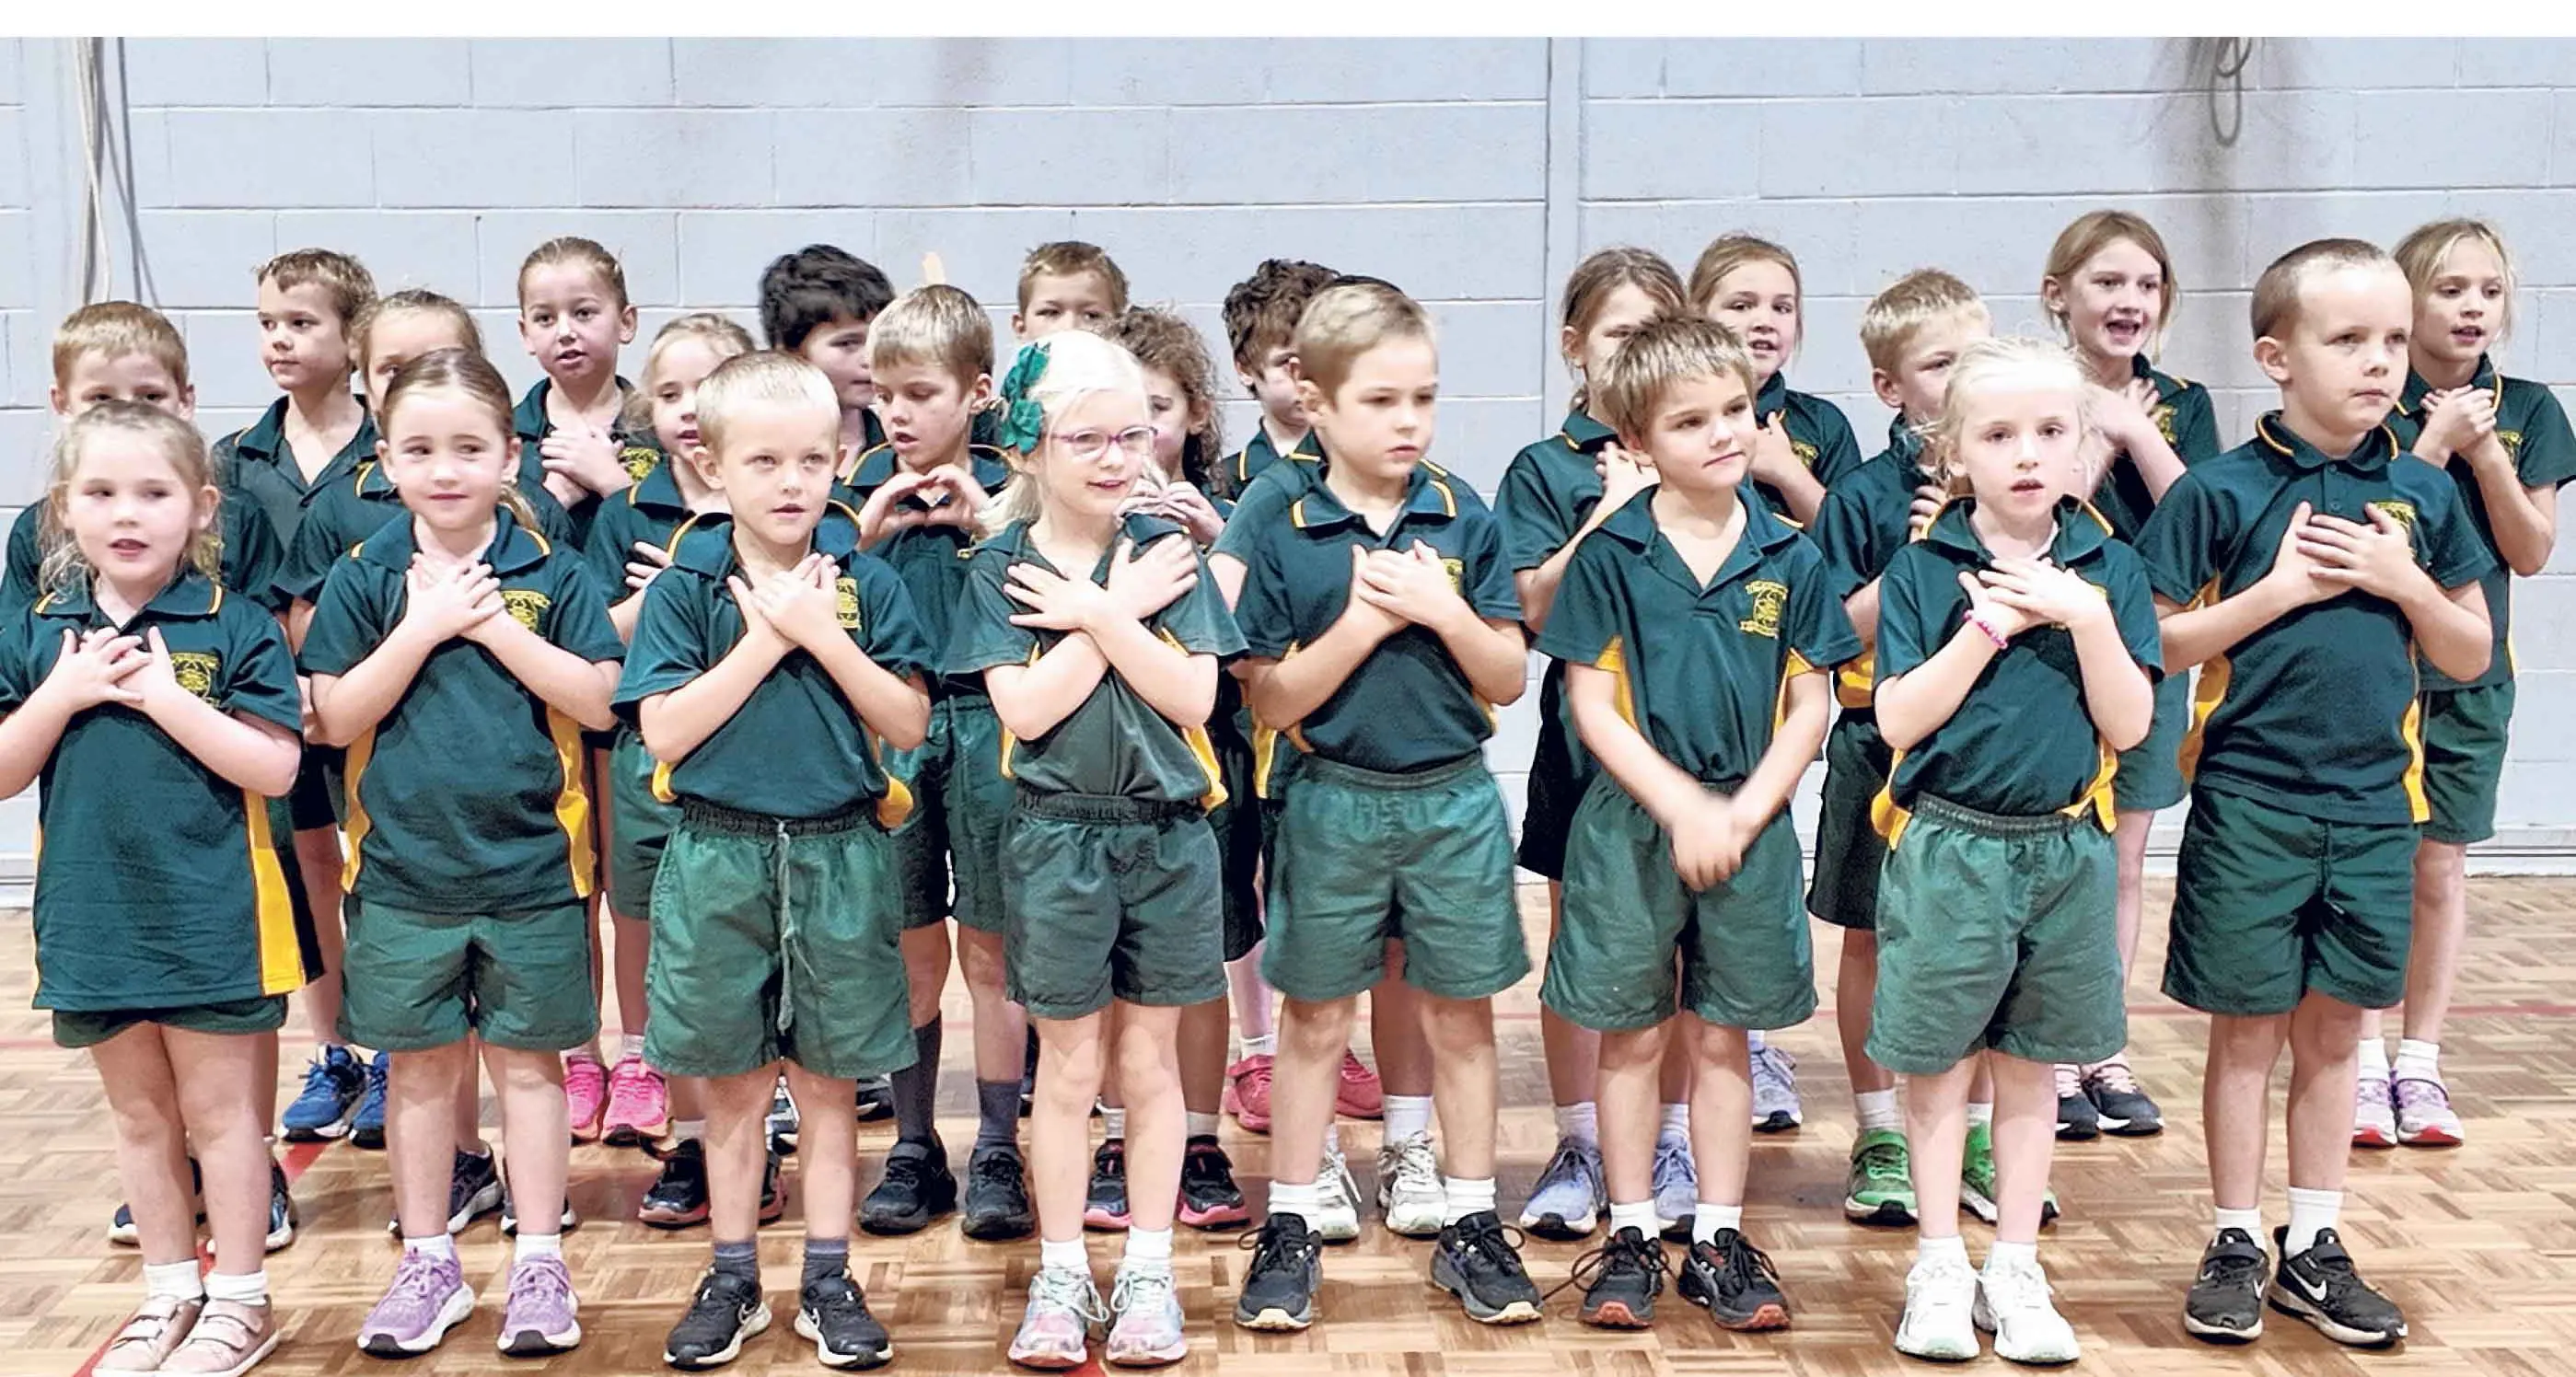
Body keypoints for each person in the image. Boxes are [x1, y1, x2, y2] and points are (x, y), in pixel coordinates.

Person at [2139, 239, 2493, 1349]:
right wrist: (2279, 590)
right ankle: (2234, 1235)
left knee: (2339, 1030)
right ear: (2274, 357)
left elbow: (2469, 650)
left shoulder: (2422, 493)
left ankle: (2314, 1238)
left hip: (2376, 808)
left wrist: (2401, 580)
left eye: (2390, 339)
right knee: (2245, 1032)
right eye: (2346, 339)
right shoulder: (2217, 490)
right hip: (2247, 803)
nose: (2378, 361)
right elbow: (2152, 640)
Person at [1227, 280, 1539, 1332]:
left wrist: (1442, 609)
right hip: (1331, 800)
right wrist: (1361, 625)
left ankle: (1470, 1220)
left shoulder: (1461, 512)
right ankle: (1288, 1219)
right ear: (1314, 402)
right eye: (1380, 400)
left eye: (1423, 397)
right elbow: (1270, 697)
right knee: (1315, 1015)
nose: (1408, 420)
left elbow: (1505, 675)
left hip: (1452, 799)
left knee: (1459, 1012)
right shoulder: (1280, 520)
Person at [304, 349, 624, 1358]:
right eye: (419, 450)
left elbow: (600, 699)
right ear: (386, 460)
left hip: (533, 872)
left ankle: (540, 1258)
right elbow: (331, 716)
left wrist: (493, 630)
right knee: (419, 1074)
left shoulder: (552, 571)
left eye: (468, 448)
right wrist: (424, 626)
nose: (444, 470)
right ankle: (427, 1260)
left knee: (530, 1071)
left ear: (510, 456)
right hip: (403, 876)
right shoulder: (364, 577)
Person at [1540, 314, 1855, 1333]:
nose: (1723, 432)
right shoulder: (1610, 555)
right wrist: (1680, 806)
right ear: (1636, 441)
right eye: (1689, 420)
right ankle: (1631, 1232)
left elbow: (1809, 705)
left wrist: (1742, 811)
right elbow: (1590, 705)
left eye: (1734, 409)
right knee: (1631, 1035)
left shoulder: (1791, 555)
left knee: (1725, 1038)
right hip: (1630, 827)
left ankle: (1718, 1234)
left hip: (1748, 828)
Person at [621, 351, 932, 1371]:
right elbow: (664, 732)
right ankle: (734, 1273)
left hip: (842, 854)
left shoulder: (869, 583)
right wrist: (765, 639)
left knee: (832, 1082)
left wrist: (821, 634)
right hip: (719, 854)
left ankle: (830, 1276)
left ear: (839, 459)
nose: (792, 482)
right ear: (713, 466)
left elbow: (907, 720)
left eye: (811, 459)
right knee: (735, 1085)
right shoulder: (687, 590)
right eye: (763, 461)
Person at [946, 330, 1241, 1368]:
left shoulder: (1168, 552)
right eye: (1088, 439)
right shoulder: (997, 568)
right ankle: (1064, 1271)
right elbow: (1025, 711)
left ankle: (1149, 1270)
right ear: (1027, 448)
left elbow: (1192, 695)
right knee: (1068, 1069)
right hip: (1055, 840)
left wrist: (1101, 613)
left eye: (1132, 433)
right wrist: (1118, 614)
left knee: (1149, 1063)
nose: (1118, 456)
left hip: (1166, 837)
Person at [0, 402, 307, 1377]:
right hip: (93, 917)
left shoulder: (238, 623)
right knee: (140, 1118)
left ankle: (241, 1299)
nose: (126, 513)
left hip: (214, 914)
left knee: (223, 1119)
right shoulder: (43, 630)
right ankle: (168, 1291)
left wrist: (168, 698)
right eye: (100, 493)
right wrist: (63, 693)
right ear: (63, 509)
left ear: (201, 507)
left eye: (153, 492)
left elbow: (276, 768)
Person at [1869, 337, 2159, 1365]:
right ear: (1955, 454)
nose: (2027, 453)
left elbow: (2129, 724)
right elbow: (1896, 717)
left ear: (2081, 446)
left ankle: (2016, 1263)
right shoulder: (1921, 569)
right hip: (1951, 849)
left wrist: (2086, 620)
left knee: (2033, 1068)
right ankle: (1938, 1262)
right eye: (1998, 435)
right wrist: (1984, 627)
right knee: (1940, 1066)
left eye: (2049, 431)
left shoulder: (2111, 569)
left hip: (2066, 850)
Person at [2357, 218, 2574, 1148]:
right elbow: (2379, 516)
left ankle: (2419, 1059)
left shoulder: (2528, 409)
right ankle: (2360, 1059)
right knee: (2371, 864)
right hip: (2375, 670)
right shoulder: (2372, 399)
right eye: (2449, 290)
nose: (2471, 307)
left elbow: (2529, 550)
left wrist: (2486, 452)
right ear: (2407, 302)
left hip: (2471, 673)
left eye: (2487, 290)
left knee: (2439, 866)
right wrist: (2436, 443)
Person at [1496, 246, 1692, 1244]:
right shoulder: (1546, 469)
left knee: (1686, 952)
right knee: (1582, 946)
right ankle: (1579, 1141)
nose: (1636, 350)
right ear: (1575, 346)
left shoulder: (1703, 452)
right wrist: (1614, 509)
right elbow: (1532, 606)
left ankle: (1670, 1141)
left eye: (1656, 331)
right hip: (1584, 747)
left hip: (1697, 750)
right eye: (1618, 333)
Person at [585, 313, 790, 1232]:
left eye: (706, 389)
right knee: (683, 962)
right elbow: (592, 645)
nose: (686, 409)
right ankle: (696, 1140)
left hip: (762, 774)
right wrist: (663, 589)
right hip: (655, 763)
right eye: (667, 392)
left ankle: (763, 1134)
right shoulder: (625, 514)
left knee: (764, 952)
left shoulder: (796, 509)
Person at [839, 284, 1036, 1244]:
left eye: (920, 393)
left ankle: (998, 1143)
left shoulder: (1018, 484)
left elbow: (1055, 582)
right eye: (883, 394)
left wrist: (989, 522)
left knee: (990, 949)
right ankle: (915, 1144)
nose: (898, 413)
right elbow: (812, 595)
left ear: (977, 393)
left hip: (992, 722)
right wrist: (864, 536)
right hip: (897, 727)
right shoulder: (852, 488)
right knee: (910, 946)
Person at [1808, 270, 1996, 1229]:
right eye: (1939, 363)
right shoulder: (1860, 496)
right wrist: (1912, 564)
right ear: (1889, 386)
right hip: (1874, 739)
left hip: (1986, 747)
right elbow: (1829, 631)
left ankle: (1976, 1134)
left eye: (1976, 356)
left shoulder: (2016, 479)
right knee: (1870, 936)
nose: (1963, 378)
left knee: (1984, 943)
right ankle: (1879, 1128)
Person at [2036, 210, 2222, 1139]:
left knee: (2121, 859)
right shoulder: (2028, 387)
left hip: (2146, 652)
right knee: (2053, 856)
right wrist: (2099, 437)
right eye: (2107, 282)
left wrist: (2139, 432)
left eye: (2146, 285)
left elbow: (2209, 513)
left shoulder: (2182, 402)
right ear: (2057, 295)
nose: (2129, 300)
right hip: (2044, 653)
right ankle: (2046, 1049)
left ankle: (2100, 1044)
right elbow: (2038, 500)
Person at [215, 249, 385, 1151]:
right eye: (267, 324)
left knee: (385, 866)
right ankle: (336, 1051)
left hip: (378, 696)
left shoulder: (390, 448)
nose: (278, 340)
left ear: (353, 337)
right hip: (280, 705)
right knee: (310, 865)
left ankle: (396, 1045)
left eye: (301, 323)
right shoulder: (235, 458)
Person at [1686, 233, 1862, 526]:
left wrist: (1788, 473)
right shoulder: (1669, 418)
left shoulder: (1822, 424)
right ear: (1697, 315)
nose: (1765, 323)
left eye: (1782, 308)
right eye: (1741, 306)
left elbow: (1852, 541)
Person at [511, 236, 655, 552]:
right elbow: (493, 550)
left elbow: (681, 538)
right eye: (545, 319)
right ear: (526, 334)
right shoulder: (504, 437)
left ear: (626, 322)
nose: (565, 332)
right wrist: (553, 498)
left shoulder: (660, 429)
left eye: (584, 313)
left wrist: (615, 486)